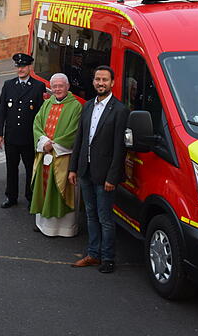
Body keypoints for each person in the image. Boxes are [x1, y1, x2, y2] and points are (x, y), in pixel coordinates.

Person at [68, 66, 129, 274]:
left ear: (112, 83)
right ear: (93, 82)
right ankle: (93, 254)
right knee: (91, 215)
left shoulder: (120, 110)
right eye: (97, 79)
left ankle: (108, 258)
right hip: (85, 171)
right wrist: (73, 168)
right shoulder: (86, 107)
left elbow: (119, 148)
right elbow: (80, 139)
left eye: (104, 80)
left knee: (105, 219)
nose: (100, 83)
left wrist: (113, 177)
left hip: (105, 177)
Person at [30, 73, 83, 236]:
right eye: (54, 86)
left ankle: (64, 229)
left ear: (67, 87)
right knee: (43, 189)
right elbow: (36, 124)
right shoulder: (47, 104)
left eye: (61, 86)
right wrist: (44, 142)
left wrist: (52, 146)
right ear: (51, 88)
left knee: (62, 190)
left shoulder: (76, 106)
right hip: (45, 156)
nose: (57, 89)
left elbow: (74, 132)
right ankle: (43, 225)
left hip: (63, 158)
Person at [0, 53, 46, 208]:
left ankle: (30, 196)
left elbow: (41, 114)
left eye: (23, 66)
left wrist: (41, 136)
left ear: (29, 67)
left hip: (29, 137)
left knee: (30, 168)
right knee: (11, 168)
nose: (21, 69)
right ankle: (11, 196)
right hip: (11, 136)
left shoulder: (38, 87)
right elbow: (2, 110)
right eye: (18, 66)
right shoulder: (8, 85)